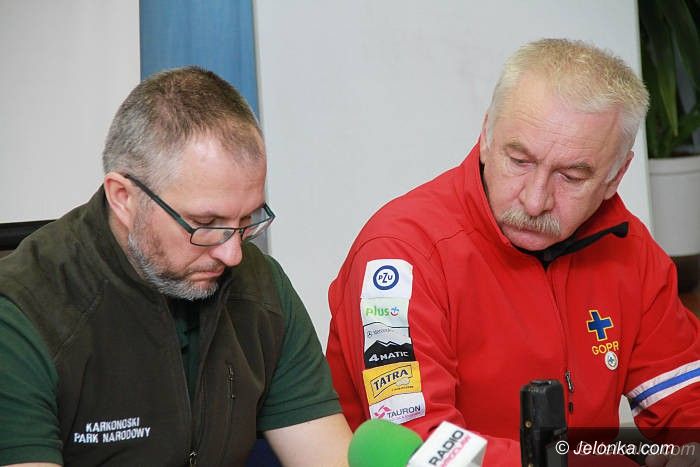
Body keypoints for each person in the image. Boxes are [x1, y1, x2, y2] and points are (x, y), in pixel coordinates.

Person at [326, 38, 700, 465]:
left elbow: (684, 397)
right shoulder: (399, 254)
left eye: (571, 177)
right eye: (520, 161)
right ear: (486, 136)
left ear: (616, 176)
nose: (535, 200)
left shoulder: (627, 248)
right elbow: (422, 448)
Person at [0, 67, 351, 466]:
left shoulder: (261, 288)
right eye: (206, 224)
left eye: (246, 220)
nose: (233, 254)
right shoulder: (23, 316)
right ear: (123, 197)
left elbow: (327, 456)